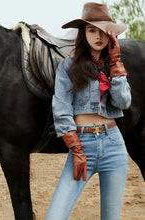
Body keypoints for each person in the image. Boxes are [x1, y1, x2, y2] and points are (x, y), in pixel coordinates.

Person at [45, 2, 131, 220]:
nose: (98, 36)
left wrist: (116, 65)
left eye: (102, 31)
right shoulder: (68, 67)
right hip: (82, 146)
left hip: (113, 145)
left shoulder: (114, 66)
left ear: (110, 35)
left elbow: (123, 102)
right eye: (92, 30)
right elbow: (61, 110)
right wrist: (75, 148)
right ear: (83, 33)